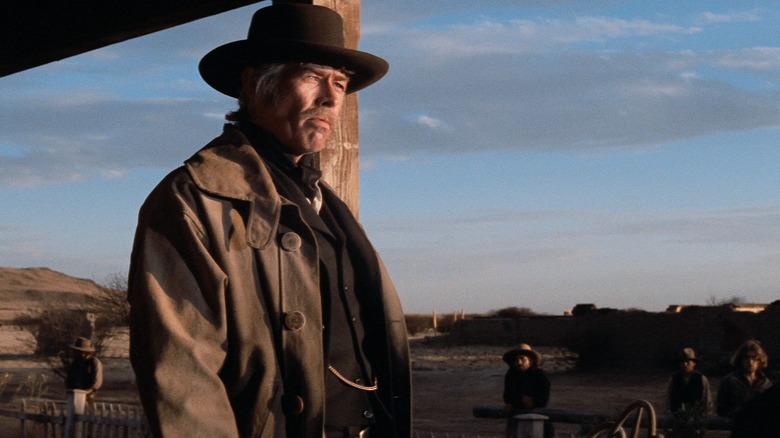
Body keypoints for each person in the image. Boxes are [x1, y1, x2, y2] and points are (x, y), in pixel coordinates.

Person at [126, 4, 410, 438]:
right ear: (254, 84)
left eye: (340, 82)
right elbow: (183, 378)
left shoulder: (325, 201)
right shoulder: (194, 199)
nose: (332, 98)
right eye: (312, 76)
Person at [502, 343, 553, 438]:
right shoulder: (511, 375)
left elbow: (543, 400)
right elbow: (507, 397)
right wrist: (521, 400)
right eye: (516, 359)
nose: (519, 362)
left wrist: (530, 401)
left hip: (539, 418)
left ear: (531, 360)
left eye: (522, 359)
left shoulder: (540, 376)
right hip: (516, 417)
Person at [716, 339, 773, 418]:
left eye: (754, 358)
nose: (750, 362)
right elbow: (721, 409)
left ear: (759, 360)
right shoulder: (729, 381)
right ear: (741, 359)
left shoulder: (766, 384)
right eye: (747, 358)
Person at [665, 348, 713, 438]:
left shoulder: (701, 379)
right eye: (682, 362)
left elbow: (707, 401)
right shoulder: (674, 379)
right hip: (677, 420)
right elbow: (668, 400)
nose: (685, 364)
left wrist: (703, 422)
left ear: (694, 363)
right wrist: (669, 419)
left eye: (688, 361)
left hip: (695, 422)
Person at [64, 337, 103, 402]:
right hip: (74, 394)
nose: (74, 353)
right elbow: (70, 378)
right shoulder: (75, 362)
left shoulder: (94, 362)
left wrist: (86, 392)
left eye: (77, 351)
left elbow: (96, 382)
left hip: (88, 394)